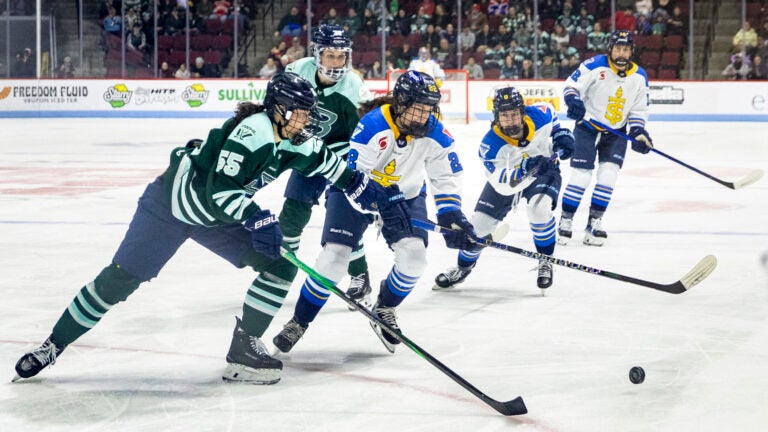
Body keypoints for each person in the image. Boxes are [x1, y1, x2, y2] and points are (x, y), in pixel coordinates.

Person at [12, 72, 411, 385]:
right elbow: (220, 192)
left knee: (280, 266)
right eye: (303, 114)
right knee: (119, 281)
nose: (308, 123)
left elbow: (334, 168)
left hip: (215, 218)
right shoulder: (252, 132)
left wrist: (375, 195)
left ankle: (244, 350)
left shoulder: (294, 138)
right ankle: (53, 345)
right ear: (280, 109)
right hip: (170, 208)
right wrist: (259, 216)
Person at [272, 70, 477, 354]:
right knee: (334, 259)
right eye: (418, 109)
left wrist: (451, 212)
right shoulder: (372, 126)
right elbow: (357, 179)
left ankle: (385, 308)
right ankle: (299, 321)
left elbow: (445, 176)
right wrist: (382, 205)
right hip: (354, 190)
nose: (423, 117)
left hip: (405, 195)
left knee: (415, 259)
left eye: (429, 110)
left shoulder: (436, 133)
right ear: (402, 104)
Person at [247, 25, 376, 335]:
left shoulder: (354, 87)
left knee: (342, 224)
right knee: (291, 218)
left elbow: (367, 134)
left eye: (341, 55)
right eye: (330, 55)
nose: (335, 62)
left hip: (342, 160)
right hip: (307, 155)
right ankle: (281, 265)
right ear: (317, 53)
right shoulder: (297, 71)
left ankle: (361, 275)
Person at [434, 86, 574, 292]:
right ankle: (462, 268)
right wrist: (525, 168)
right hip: (509, 180)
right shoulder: (490, 145)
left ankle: (545, 261)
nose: (510, 120)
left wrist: (561, 134)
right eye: (504, 116)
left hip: (544, 173)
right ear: (496, 117)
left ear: (522, 113)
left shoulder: (541, 114)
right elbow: (503, 184)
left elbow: (554, 120)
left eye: (514, 114)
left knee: (539, 210)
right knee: (479, 228)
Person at [558, 30, 652, 246]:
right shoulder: (595, 65)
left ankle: (594, 223)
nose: (621, 53)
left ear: (631, 52)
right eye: (617, 48)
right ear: (610, 49)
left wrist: (638, 132)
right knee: (581, 175)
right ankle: (565, 220)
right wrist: (573, 100)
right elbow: (571, 85)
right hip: (587, 128)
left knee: (608, 177)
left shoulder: (640, 76)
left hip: (616, 132)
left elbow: (639, 110)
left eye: (625, 49)